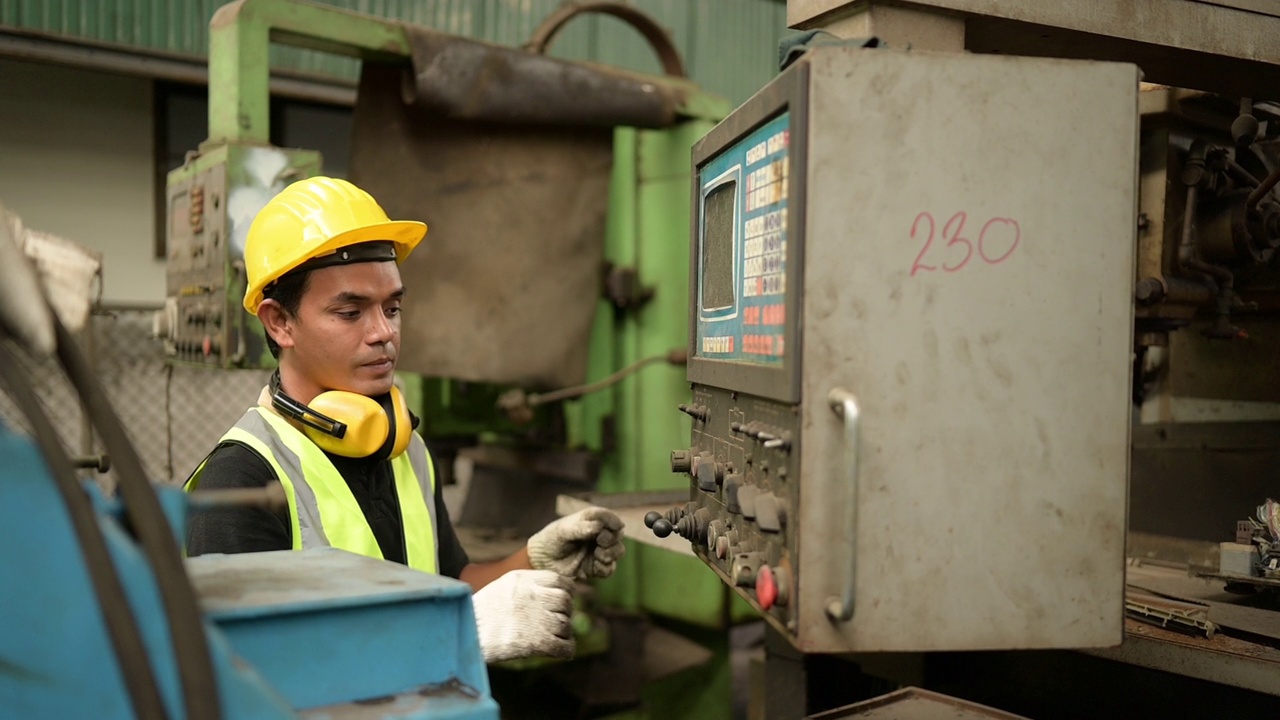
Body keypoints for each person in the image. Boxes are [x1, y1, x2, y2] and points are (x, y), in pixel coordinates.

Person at [184, 176, 625, 664]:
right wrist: (457, 637)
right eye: (350, 312)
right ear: (279, 322)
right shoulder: (240, 481)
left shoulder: (403, 447)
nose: (384, 333)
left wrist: (533, 560)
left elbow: (448, 582)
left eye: (392, 307)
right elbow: (253, 675)